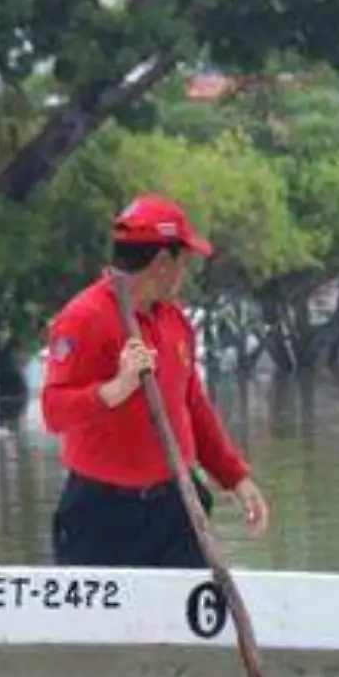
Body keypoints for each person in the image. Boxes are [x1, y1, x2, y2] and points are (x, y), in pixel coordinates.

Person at [39, 193, 270, 568]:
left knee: (189, 621)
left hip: (175, 507)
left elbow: (192, 405)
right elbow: (54, 411)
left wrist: (234, 477)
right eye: (185, 260)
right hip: (102, 516)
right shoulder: (83, 318)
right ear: (164, 261)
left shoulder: (174, 320)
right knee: (102, 628)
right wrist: (114, 389)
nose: (186, 271)